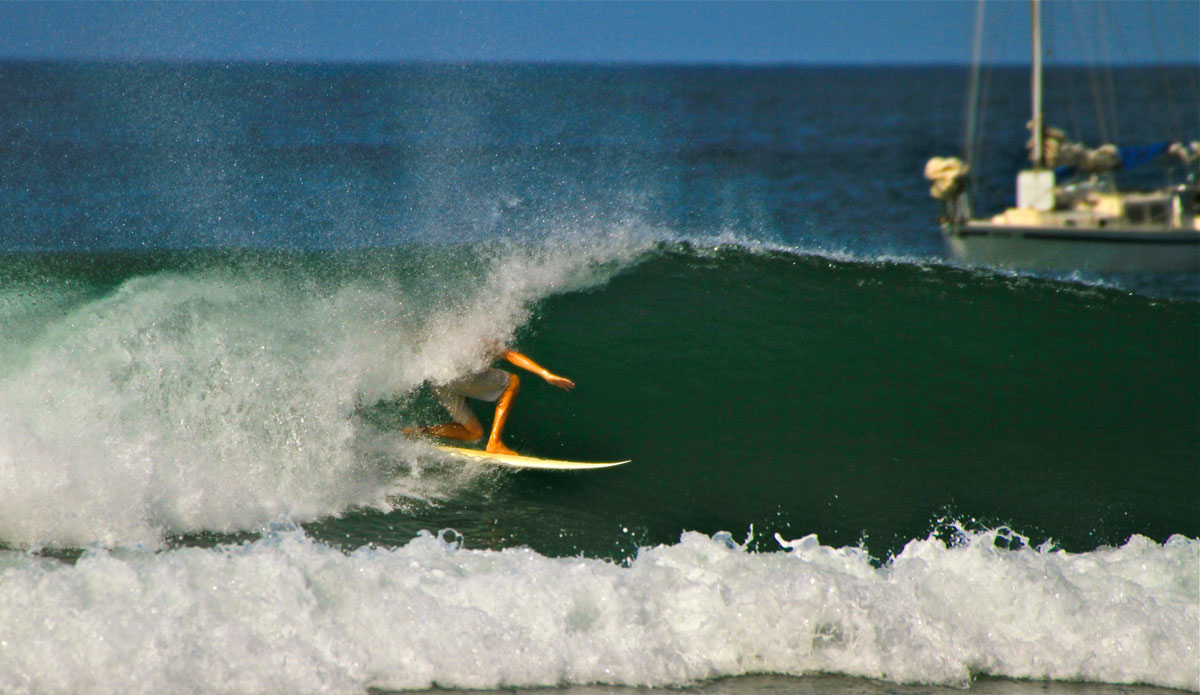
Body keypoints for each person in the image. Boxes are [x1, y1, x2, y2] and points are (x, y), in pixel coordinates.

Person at [407, 348, 575, 456]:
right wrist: (545, 373)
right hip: (458, 374)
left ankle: (418, 432)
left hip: (437, 379)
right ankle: (495, 442)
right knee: (513, 381)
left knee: (474, 433)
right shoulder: (484, 320)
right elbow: (508, 354)